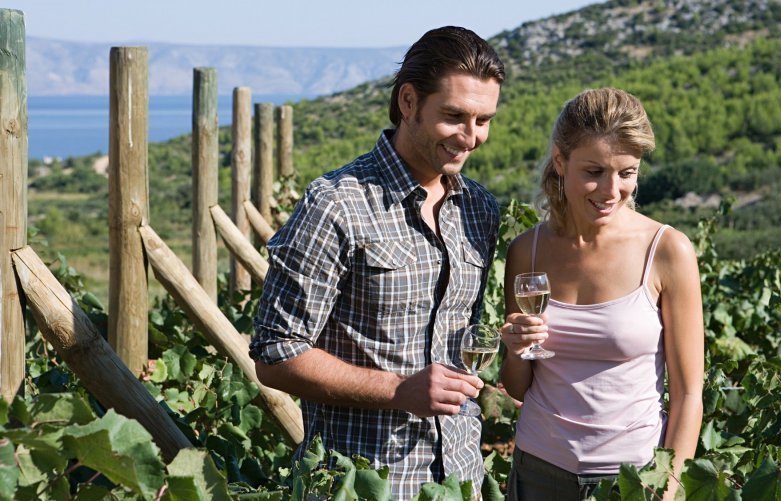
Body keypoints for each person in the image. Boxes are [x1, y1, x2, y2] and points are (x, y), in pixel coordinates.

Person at [249, 26, 505, 500]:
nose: (471, 137)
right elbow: (275, 353)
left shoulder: (479, 211)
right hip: (363, 486)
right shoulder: (337, 205)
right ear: (408, 102)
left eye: (484, 120)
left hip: (461, 478)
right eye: (455, 117)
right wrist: (397, 389)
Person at [500, 87, 704, 500]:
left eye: (627, 172)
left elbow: (688, 394)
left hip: (632, 479)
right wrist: (517, 349)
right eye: (594, 171)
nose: (611, 190)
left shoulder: (666, 251)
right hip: (539, 470)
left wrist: (670, 487)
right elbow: (518, 387)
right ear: (560, 161)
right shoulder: (527, 251)